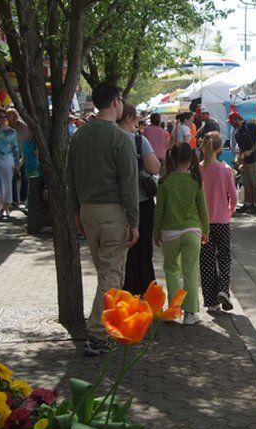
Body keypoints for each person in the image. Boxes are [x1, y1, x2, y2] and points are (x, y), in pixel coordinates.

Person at [66, 82, 139, 357]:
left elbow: (69, 178)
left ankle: (105, 326)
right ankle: (97, 334)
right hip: (112, 214)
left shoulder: (80, 135)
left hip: (87, 211)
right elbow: (129, 185)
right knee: (111, 275)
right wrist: (134, 222)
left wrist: (76, 211)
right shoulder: (121, 139)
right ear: (116, 102)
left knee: (104, 273)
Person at [153, 142, 210, 325]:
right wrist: (206, 231)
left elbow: (159, 210)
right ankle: (191, 313)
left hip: (169, 232)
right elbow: (203, 209)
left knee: (171, 270)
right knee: (191, 271)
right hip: (192, 231)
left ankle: (173, 310)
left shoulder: (164, 181)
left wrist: (155, 233)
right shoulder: (195, 180)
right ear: (189, 160)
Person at [118, 103, 160, 295]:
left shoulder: (110, 138)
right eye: (135, 117)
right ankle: (144, 290)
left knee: (120, 252)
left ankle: (124, 290)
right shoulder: (138, 140)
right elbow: (154, 168)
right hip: (140, 200)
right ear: (129, 118)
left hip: (115, 204)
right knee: (142, 250)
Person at [199, 131, 238, 313]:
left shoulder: (198, 169)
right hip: (222, 220)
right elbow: (234, 197)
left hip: (203, 222)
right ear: (220, 148)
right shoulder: (226, 169)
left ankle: (210, 300)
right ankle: (223, 288)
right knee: (224, 256)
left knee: (206, 260)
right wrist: (228, 212)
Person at [230, 111, 256, 214]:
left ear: (237, 119)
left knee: (255, 184)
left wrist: (251, 151)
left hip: (255, 159)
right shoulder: (237, 133)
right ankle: (247, 204)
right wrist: (241, 163)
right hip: (246, 161)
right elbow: (241, 149)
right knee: (246, 184)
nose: (231, 124)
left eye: (232, 121)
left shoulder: (251, 126)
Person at [6, 109, 30, 207]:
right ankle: (14, 199)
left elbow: (27, 136)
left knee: (25, 177)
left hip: (22, 152)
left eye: (11, 115)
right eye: (8, 116)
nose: (9, 118)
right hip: (11, 154)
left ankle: (23, 199)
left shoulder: (21, 125)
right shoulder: (7, 128)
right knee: (13, 177)